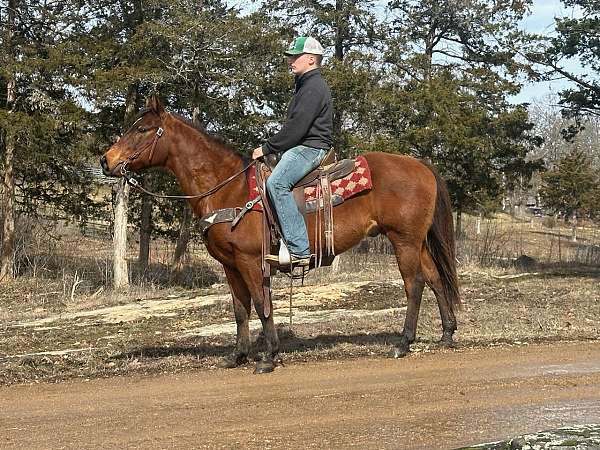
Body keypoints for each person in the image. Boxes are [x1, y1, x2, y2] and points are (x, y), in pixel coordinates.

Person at [252, 36, 333, 266]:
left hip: (310, 148)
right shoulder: (305, 85)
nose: (290, 61)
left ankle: (299, 249)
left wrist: (267, 147)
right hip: (304, 145)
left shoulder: (313, 87)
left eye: (295, 56)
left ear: (311, 59)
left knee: (276, 183)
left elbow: (297, 128)